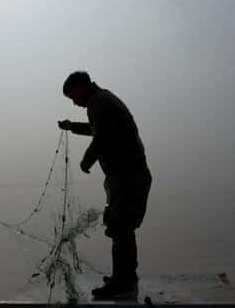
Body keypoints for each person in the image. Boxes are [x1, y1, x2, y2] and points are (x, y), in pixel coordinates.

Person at [58, 71, 152, 300]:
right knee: (121, 227)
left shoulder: (100, 102)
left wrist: (86, 159)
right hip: (125, 176)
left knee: (120, 227)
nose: (74, 102)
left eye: (72, 96)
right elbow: (97, 129)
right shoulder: (101, 101)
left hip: (128, 176)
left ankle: (124, 283)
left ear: (80, 87)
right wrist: (72, 127)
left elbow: (102, 137)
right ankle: (124, 277)